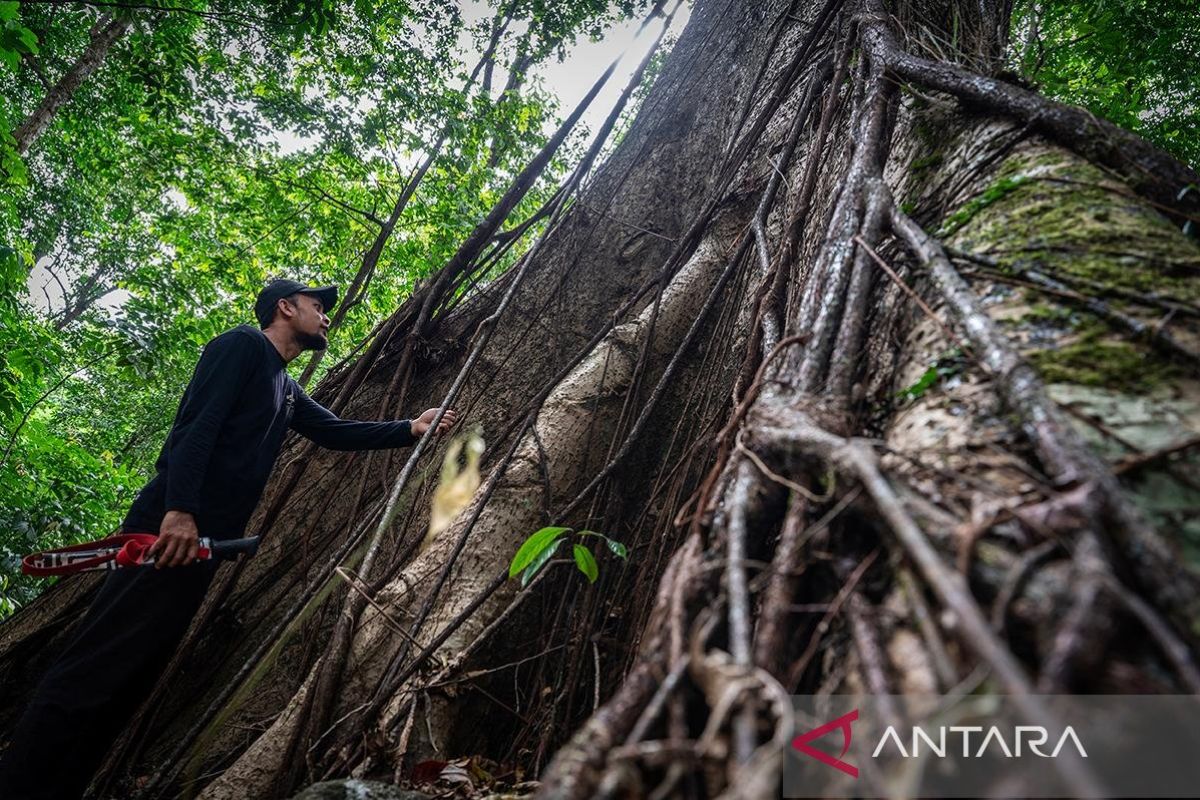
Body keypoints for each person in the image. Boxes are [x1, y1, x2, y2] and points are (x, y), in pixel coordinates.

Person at [0, 278, 458, 799]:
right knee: (95, 665)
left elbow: (334, 431)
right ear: (285, 308)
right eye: (317, 305)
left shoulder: (284, 386)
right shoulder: (240, 346)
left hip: (199, 552)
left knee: (129, 678)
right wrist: (179, 511)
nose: (327, 315)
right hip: (166, 536)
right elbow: (197, 426)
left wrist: (409, 428)